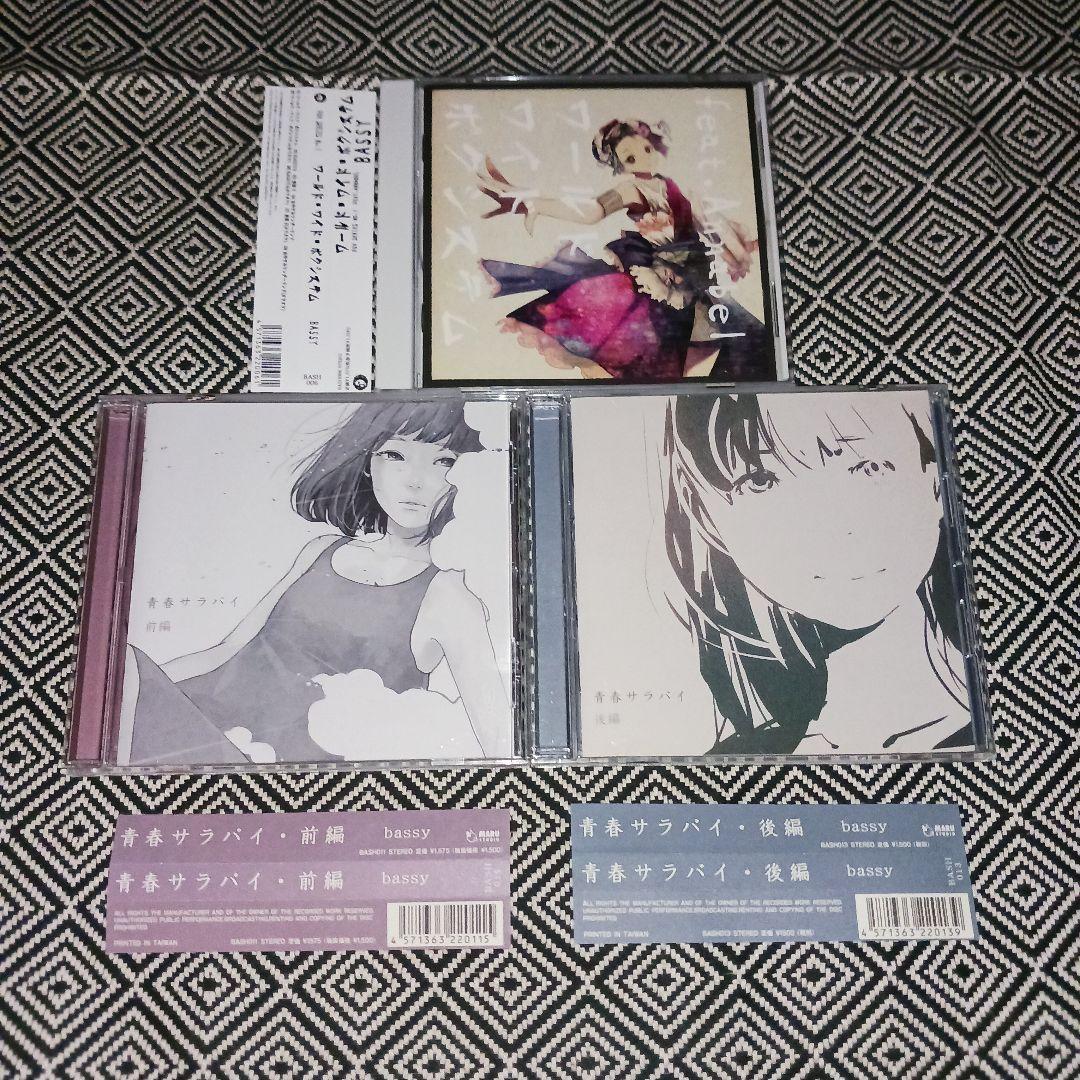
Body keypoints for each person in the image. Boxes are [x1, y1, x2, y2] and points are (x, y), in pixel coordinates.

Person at [120, 401, 511, 765]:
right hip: (207, 726)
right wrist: (137, 691)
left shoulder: (450, 595)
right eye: (395, 455)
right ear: (368, 462)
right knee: (120, 671)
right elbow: (229, 649)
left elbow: (498, 735)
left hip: (277, 768)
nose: (415, 481)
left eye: (444, 461)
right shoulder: (322, 549)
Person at [661, 391, 973, 755]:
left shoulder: (986, 722)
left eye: (868, 467)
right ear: (705, 515)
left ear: (934, 482)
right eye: (762, 481)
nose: (830, 526)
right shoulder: (736, 760)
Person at [476, 117, 765, 380]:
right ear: (620, 165)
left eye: (646, 149)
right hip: (662, 277)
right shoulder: (631, 189)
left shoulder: (675, 187)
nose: (642, 159)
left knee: (738, 335)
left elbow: (708, 225)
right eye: (630, 157)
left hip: (694, 275)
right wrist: (535, 204)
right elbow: (592, 211)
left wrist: (736, 252)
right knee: (654, 343)